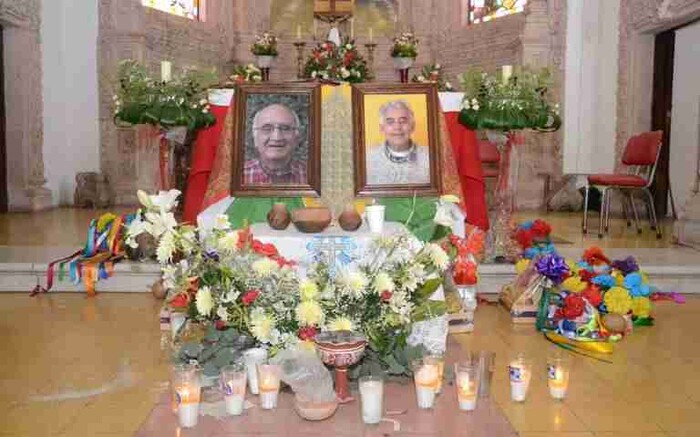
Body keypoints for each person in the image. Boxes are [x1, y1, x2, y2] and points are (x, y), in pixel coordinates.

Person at [365, 99, 430, 185]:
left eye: (403, 121)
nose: (397, 127)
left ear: (413, 126)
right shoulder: (367, 159)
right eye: (390, 122)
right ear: (382, 128)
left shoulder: (430, 157)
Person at [244, 103, 307, 184]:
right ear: (255, 138)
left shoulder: (313, 176)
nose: (276, 137)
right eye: (267, 128)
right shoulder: (236, 177)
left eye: (285, 128)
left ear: (296, 137)